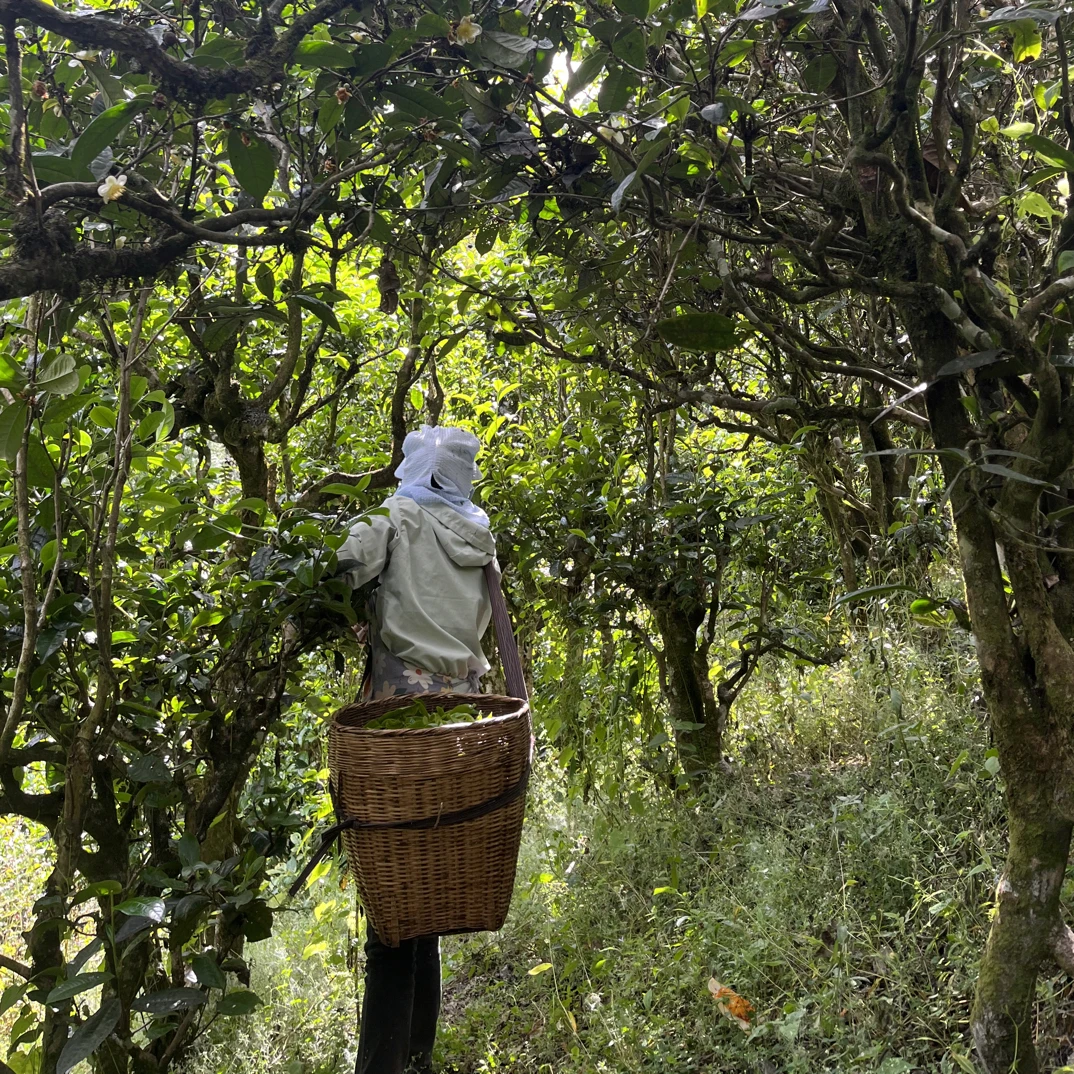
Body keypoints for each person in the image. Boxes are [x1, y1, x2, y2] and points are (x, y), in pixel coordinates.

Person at [333, 424, 497, 1074]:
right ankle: (418, 1058)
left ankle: (381, 1067)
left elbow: (339, 565)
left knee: (388, 913)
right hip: (463, 720)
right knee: (421, 895)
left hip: (398, 725)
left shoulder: (395, 515)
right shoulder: (477, 529)